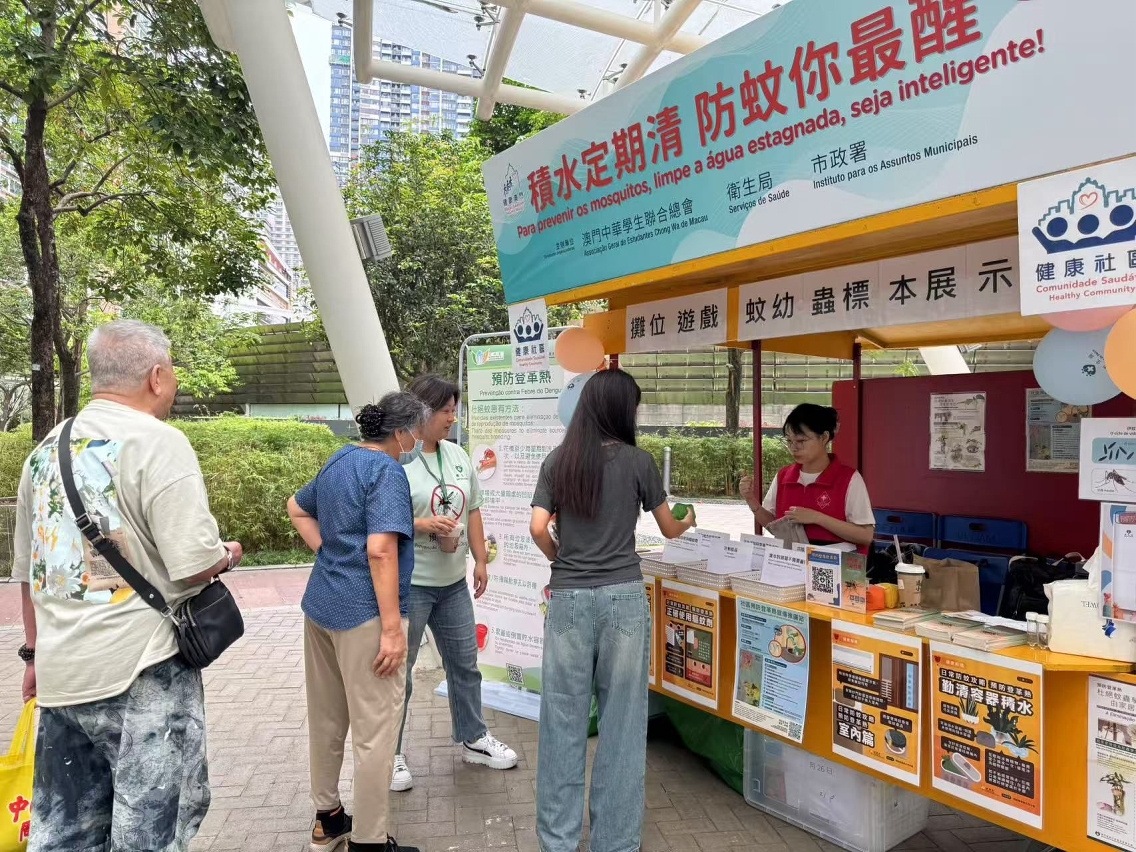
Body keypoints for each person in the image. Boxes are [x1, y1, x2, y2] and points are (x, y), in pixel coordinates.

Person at [11, 320, 243, 852]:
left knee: (67, 836)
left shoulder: (44, 451)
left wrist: (33, 657)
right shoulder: (158, 442)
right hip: (142, 672)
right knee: (149, 836)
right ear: (157, 376)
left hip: (62, 679)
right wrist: (228, 554)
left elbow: (29, 571)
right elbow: (193, 564)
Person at [528, 369, 694, 852]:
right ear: (622, 410)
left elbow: (537, 528)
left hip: (568, 599)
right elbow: (669, 528)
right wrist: (688, 517)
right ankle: (615, 841)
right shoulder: (639, 462)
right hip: (623, 596)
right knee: (622, 721)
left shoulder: (559, 460)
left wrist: (561, 560)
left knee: (562, 717)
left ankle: (557, 840)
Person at [287, 392, 428, 852]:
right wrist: (392, 629)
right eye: (415, 431)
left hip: (321, 607)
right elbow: (381, 550)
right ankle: (368, 841)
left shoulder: (339, 459)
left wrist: (330, 555)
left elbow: (296, 506)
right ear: (401, 432)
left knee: (326, 719)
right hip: (365, 616)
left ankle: (327, 820)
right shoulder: (386, 471)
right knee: (375, 732)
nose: (416, 440)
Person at [391, 375, 517, 793]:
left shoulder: (458, 455)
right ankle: (389, 753)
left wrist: (479, 559)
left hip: (452, 584)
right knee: (401, 673)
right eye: (446, 410)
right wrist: (422, 524)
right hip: (410, 585)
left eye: (454, 410)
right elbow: (379, 517)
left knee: (465, 664)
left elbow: (473, 509)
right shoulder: (398, 459)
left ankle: (473, 738)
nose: (452, 418)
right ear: (423, 411)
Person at [740, 403, 875, 551]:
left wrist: (817, 518)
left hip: (835, 562)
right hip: (791, 561)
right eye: (789, 441)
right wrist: (750, 499)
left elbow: (865, 536)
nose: (793, 447)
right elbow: (774, 526)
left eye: (801, 441)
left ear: (824, 437)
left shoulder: (849, 479)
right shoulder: (783, 476)